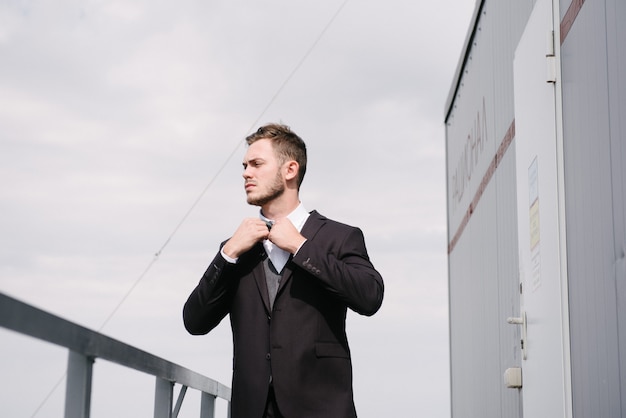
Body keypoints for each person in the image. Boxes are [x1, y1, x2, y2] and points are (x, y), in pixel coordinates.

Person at [183, 123, 384, 418]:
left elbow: (370, 297)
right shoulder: (237, 248)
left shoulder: (340, 237)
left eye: (256, 164)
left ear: (290, 170)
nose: (246, 173)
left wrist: (301, 247)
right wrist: (228, 254)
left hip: (322, 410)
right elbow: (194, 321)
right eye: (244, 165)